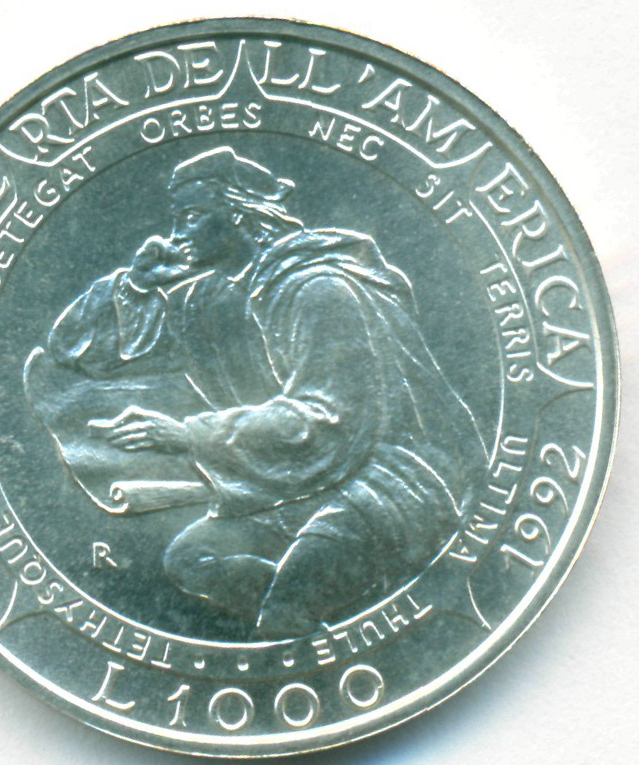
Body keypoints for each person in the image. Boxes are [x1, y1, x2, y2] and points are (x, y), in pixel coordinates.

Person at [45, 146, 487, 637]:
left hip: (382, 478)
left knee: (286, 609)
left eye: (191, 217)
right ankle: (318, 617)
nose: (175, 235)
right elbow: (79, 354)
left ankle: (305, 614)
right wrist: (136, 286)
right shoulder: (206, 300)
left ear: (238, 215)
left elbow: (327, 419)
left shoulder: (320, 289)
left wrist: (188, 435)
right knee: (192, 559)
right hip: (292, 483)